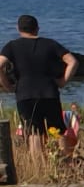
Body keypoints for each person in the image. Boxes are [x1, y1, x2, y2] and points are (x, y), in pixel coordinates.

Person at [2, 15, 79, 150]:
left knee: (33, 133)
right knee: (58, 131)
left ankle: (39, 165)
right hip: (49, 92)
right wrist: (62, 81)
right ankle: (66, 163)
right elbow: (73, 62)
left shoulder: (12, 46)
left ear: (18, 29)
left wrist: (7, 85)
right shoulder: (50, 44)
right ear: (37, 28)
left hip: (25, 94)